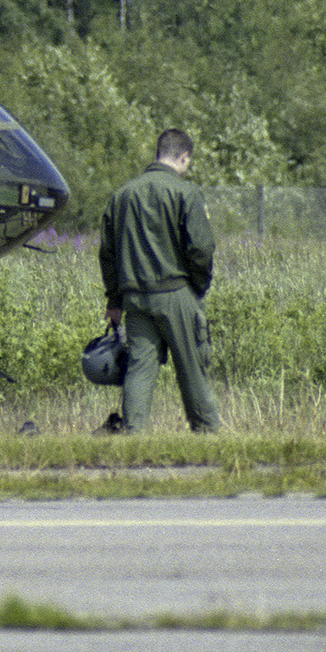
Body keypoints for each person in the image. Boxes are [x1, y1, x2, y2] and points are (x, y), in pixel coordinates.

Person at [98, 128, 221, 433]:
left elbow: (107, 253)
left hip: (135, 298)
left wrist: (114, 301)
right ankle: (207, 434)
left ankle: (134, 436)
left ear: (158, 153)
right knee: (191, 368)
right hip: (176, 292)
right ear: (184, 156)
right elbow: (201, 248)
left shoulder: (122, 195)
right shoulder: (186, 192)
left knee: (139, 370)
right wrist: (197, 286)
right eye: (188, 162)